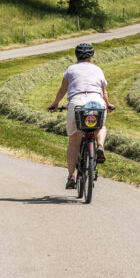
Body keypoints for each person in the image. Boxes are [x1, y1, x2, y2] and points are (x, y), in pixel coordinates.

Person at [48, 42, 114, 189]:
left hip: (77, 102)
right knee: (101, 126)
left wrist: (55, 103)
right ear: (91, 56)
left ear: (76, 55)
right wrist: (108, 104)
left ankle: (71, 176)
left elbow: (62, 91)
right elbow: (104, 92)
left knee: (73, 143)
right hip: (96, 101)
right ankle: (100, 146)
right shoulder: (98, 69)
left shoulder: (71, 70)